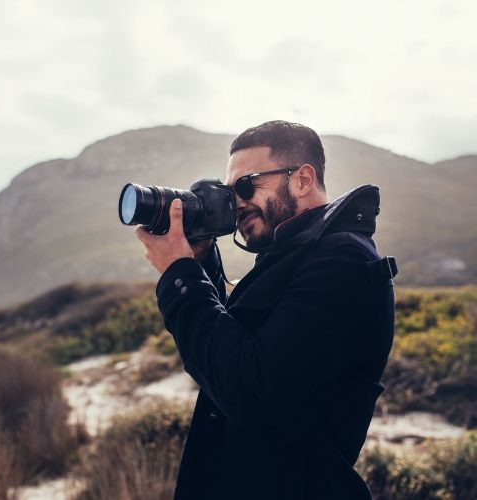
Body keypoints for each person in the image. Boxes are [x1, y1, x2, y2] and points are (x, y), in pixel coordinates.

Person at [134, 120, 397, 499]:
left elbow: (247, 389)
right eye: (229, 192)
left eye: (246, 186)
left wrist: (179, 275)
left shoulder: (345, 264)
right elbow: (236, 344)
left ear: (303, 179)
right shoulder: (291, 255)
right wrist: (201, 259)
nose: (236, 203)